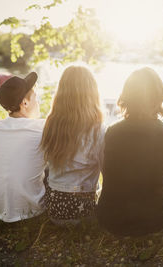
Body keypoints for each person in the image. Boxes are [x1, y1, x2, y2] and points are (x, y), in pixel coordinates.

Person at [96, 67, 163, 237]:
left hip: (109, 221)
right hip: (153, 224)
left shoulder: (112, 132)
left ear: (126, 98)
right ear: (160, 97)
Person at [40, 65, 105, 225]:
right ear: (92, 93)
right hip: (82, 211)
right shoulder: (99, 129)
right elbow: (107, 172)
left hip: (54, 209)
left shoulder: (51, 123)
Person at [0, 72, 46, 222]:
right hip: (31, 213)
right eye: (36, 99)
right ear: (24, 103)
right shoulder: (41, 127)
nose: (38, 103)